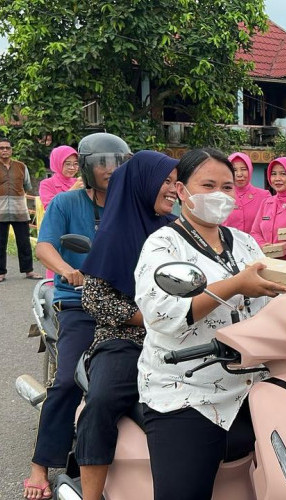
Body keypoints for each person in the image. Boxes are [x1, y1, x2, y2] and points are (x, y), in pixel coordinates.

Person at [135, 148, 286, 500]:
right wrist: (235, 285)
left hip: (253, 386)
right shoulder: (163, 244)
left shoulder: (246, 243)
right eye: (208, 185)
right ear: (181, 191)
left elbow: (276, 295)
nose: (219, 195)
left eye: (227, 187)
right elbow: (161, 314)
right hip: (187, 391)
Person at [22, 133, 129, 500]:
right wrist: (67, 269)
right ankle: (41, 464)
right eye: (102, 162)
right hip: (79, 303)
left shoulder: (131, 203)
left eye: (117, 161)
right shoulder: (67, 202)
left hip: (127, 306)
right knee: (68, 380)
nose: (110, 169)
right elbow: (46, 245)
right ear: (86, 166)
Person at [75, 151, 179, 500]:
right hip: (125, 338)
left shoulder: (176, 231)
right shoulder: (114, 233)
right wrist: (150, 318)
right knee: (102, 401)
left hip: (178, 336)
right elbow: (95, 300)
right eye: (165, 181)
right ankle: (91, 494)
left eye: (175, 181)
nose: (173, 189)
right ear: (142, 184)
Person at [0, 137, 42, 281]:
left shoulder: (21, 166)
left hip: (19, 211)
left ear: (11, 150)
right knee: (0, 243)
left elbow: (27, 186)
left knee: (24, 242)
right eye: (1, 148)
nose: (4, 150)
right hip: (0, 211)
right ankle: (1, 273)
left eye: (7, 148)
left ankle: (29, 271)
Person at [222, 152, 271, 234]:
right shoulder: (222, 195)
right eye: (234, 170)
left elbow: (269, 224)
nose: (239, 174)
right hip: (228, 245)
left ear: (250, 170)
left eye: (244, 169)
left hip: (256, 245)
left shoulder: (264, 196)